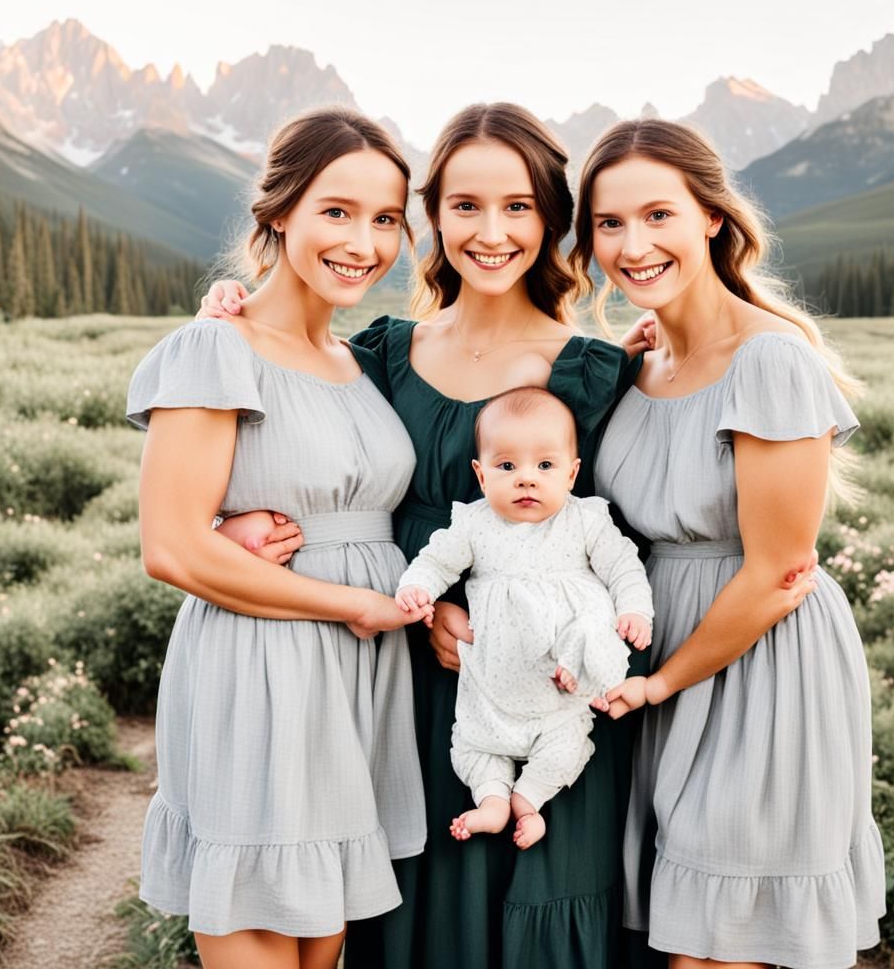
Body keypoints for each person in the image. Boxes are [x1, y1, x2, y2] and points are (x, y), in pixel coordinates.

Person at [197, 102, 642, 969]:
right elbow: (307, 457)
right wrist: (226, 518)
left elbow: (622, 534)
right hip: (392, 687)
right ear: (431, 216)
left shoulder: (595, 371)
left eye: (518, 206)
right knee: (402, 907)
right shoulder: (381, 353)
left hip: (538, 696)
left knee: (536, 905)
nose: (491, 230)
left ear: (552, 219)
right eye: (466, 204)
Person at [573, 118, 885, 968]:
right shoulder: (636, 372)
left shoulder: (773, 360)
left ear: (711, 216)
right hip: (662, 661)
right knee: (679, 930)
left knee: (716, 945)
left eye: (658, 215)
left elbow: (781, 570)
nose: (633, 244)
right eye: (609, 224)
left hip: (758, 662)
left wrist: (664, 681)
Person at [129, 108, 430, 969]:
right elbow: (174, 548)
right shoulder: (215, 347)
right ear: (280, 213)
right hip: (262, 668)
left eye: (384, 219)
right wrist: (351, 605)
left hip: (355, 685)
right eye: (336, 211)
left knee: (319, 948)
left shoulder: (357, 360)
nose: (363, 242)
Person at [396, 386, 653, 851]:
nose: (526, 480)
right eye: (507, 466)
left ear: (572, 473)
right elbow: (436, 562)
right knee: (474, 741)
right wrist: (417, 588)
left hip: (563, 681)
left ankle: (528, 800)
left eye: (545, 466)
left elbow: (623, 567)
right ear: (480, 474)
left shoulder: (585, 521)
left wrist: (635, 608)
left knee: (567, 743)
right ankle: (492, 801)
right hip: (495, 683)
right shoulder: (474, 524)